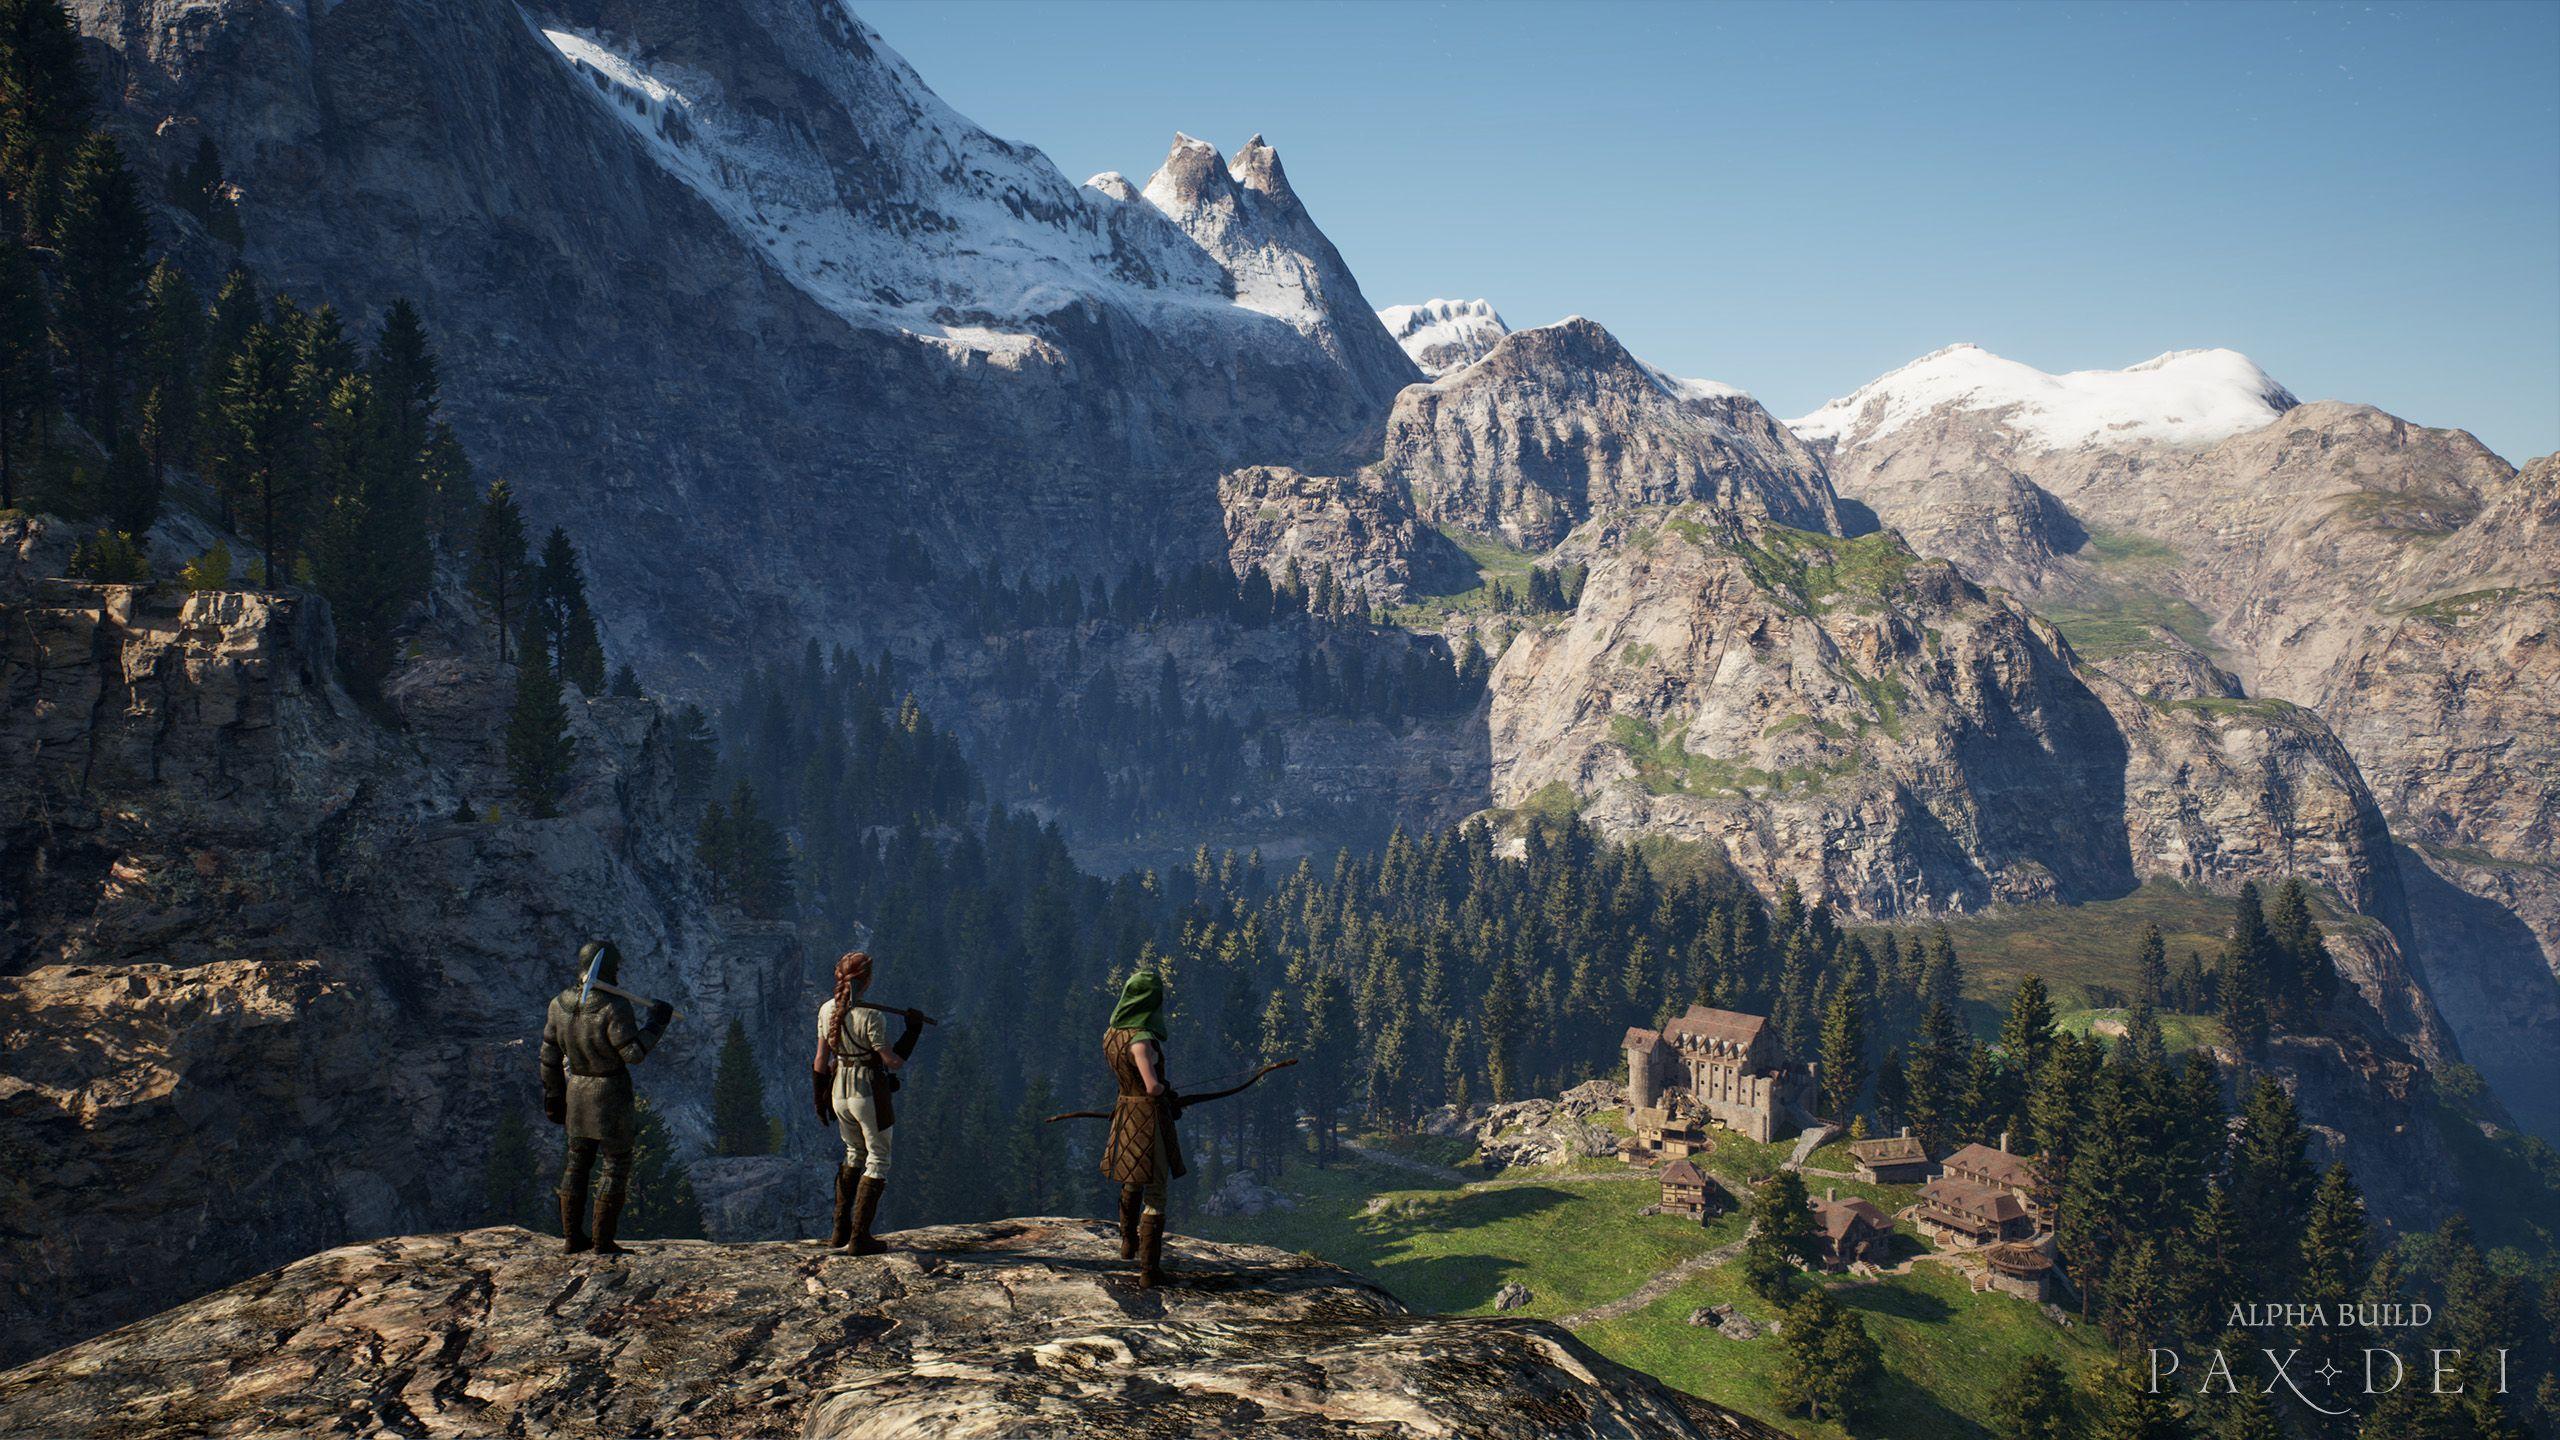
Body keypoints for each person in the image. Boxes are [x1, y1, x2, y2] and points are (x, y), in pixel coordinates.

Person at [540, 939, 673, 1255]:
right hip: (609, 1095)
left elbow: (548, 1056)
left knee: (576, 1165)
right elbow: (632, 1053)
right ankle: (602, 1242)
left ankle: (572, 1238)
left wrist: (554, 1095)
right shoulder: (614, 1007)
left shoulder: (558, 1004)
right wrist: (657, 1023)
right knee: (615, 1165)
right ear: (608, 968)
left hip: (577, 1092)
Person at [812, 950, 924, 1254]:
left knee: (853, 1152)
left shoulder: (826, 1010)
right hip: (867, 1093)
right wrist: (912, 1031)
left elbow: (821, 1060)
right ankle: (859, 1238)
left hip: (839, 1092)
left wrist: (819, 1099)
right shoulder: (871, 1016)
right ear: (867, 980)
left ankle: (839, 1231)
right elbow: (893, 1061)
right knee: (877, 1158)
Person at [1101, 968, 1185, 1287]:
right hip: (1148, 1120)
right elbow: (1151, 1086)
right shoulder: (1141, 1040)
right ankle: (1149, 1271)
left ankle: (1128, 1243)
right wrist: (1165, 1090)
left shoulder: (1112, 1034)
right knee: (1155, 1191)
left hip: (1125, 1114)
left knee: (1131, 1179)